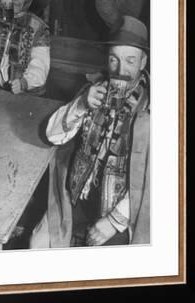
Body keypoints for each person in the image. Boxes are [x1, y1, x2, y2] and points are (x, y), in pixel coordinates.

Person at [31, 15, 150, 248]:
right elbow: (52, 134)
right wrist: (82, 104)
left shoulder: (153, 108)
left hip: (124, 211)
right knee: (37, 244)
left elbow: (161, 179)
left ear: (143, 62)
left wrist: (113, 222)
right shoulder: (95, 89)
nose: (121, 70)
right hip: (78, 197)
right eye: (114, 59)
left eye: (130, 61)